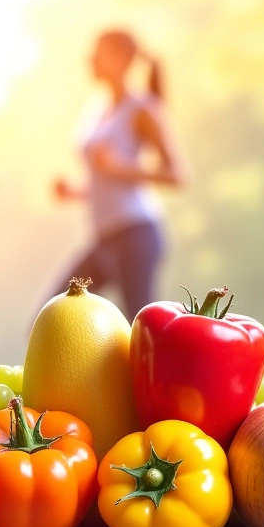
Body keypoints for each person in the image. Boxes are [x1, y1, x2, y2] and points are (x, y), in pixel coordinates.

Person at [54, 29, 183, 318]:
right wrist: (75, 191)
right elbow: (103, 180)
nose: (89, 59)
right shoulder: (98, 108)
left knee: (140, 326)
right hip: (103, 238)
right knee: (55, 313)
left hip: (135, 234)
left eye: (97, 53)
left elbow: (177, 174)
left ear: (122, 59)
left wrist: (120, 168)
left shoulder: (141, 108)